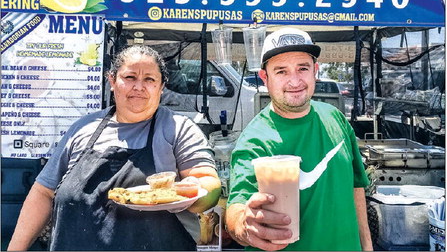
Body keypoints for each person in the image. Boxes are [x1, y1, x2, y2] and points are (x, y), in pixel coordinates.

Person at [8, 45, 221, 251]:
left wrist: (193, 191)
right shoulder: (83, 128)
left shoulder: (177, 129)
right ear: (112, 80)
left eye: (149, 79)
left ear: (161, 86)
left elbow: (207, 180)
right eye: (130, 77)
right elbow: (43, 192)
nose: (139, 86)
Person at [225, 28, 373, 251]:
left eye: (302, 68)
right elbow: (236, 208)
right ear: (265, 77)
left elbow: (356, 187)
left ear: (315, 70)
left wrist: (367, 246)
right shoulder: (256, 140)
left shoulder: (336, 118)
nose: (295, 81)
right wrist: (245, 225)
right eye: (281, 71)